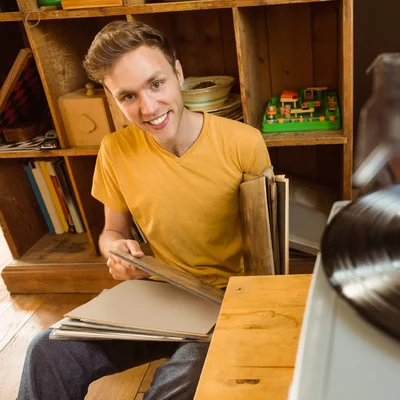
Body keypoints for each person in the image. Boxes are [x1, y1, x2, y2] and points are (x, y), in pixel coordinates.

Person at [18, 20, 271, 400]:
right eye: (128, 97)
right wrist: (117, 252)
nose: (149, 108)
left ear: (178, 73)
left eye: (156, 84)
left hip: (226, 301)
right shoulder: (114, 150)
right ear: (111, 98)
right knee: (47, 351)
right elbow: (112, 232)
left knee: (177, 382)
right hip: (159, 295)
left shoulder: (244, 143)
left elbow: (268, 239)